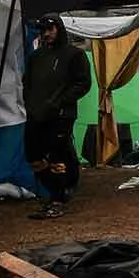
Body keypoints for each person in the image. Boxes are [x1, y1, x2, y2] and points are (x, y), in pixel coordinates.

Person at [23, 13, 91, 219]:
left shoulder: (74, 55)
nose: (46, 34)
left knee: (57, 157)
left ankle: (57, 200)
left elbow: (83, 83)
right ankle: (58, 189)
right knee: (33, 155)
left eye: (50, 29)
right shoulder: (36, 57)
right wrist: (30, 103)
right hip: (36, 114)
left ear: (59, 29)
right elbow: (27, 82)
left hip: (61, 115)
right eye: (43, 30)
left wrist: (60, 101)